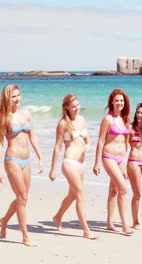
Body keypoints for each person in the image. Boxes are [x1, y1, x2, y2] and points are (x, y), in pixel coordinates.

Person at [48, 94, 97, 240]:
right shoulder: (63, 124)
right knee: (81, 194)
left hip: (81, 164)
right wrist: (52, 169)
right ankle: (86, 230)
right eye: (73, 106)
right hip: (69, 162)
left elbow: (88, 139)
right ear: (67, 107)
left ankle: (57, 217)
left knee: (72, 195)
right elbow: (57, 147)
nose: (77, 108)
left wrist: (88, 146)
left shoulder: (82, 120)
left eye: (78, 104)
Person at [0, 84, 44, 246]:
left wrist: (40, 157)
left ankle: (4, 220)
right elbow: (0, 144)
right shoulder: (3, 117)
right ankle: (25, 237)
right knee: (22, 197)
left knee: (23, 198)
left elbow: (33, 137)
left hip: (27, 160)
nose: (17, 99)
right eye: (13, 96)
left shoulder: (27, 114)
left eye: (19, 95)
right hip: (12, 160)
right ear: (7, 98)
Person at [93, 89, 133, 235]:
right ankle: (125, 225)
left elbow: (127, 143)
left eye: (121, 100)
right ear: (111, 102)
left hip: (121, 159)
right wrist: (97, 162)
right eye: (116, 100)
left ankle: (109, 223)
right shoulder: (108, 119)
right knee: (123, 189)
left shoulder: (126, 119)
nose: (119, 103)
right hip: (109, 157)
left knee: (114, 190)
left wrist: (127, 163)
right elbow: (100, 141)